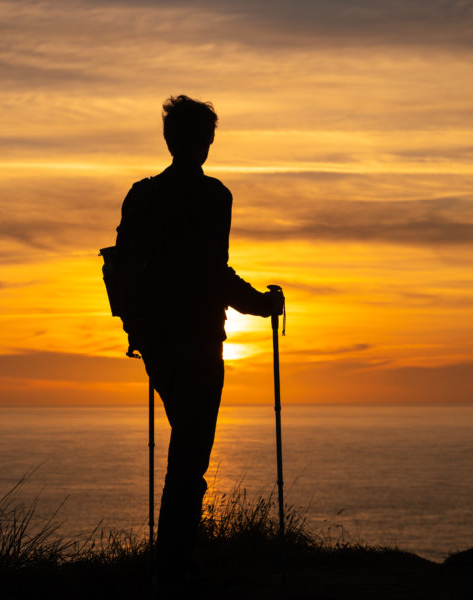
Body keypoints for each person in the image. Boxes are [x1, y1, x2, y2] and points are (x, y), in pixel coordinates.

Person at [114, 95, 284, 584]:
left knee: (185, 443)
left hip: (156, 341)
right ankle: (177, 562)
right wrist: (263, 304)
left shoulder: (141, 196)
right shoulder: (214, 197)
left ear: (168, 140)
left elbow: (122, 266)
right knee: (192, 449)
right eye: (206, 136)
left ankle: (175, 556)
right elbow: (214, 275)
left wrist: (138, 327)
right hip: (200, 340)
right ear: (205, 141)